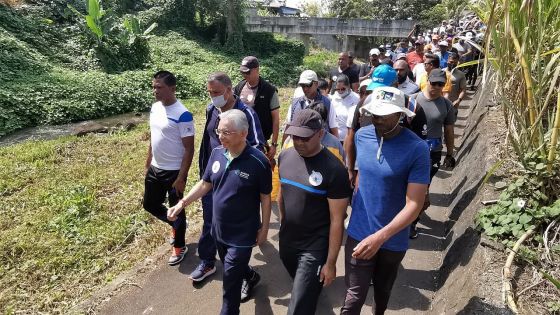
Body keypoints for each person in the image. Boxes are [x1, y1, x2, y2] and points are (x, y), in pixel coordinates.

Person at [168, 109, 272, 315]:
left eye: (226, 133)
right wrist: (182, 203)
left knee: (230, 286)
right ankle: (250, 276)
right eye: (218, 131)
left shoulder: (259, 162)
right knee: (232, 267)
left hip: (242, 234)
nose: (220, 137)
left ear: (244, 133)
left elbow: (265, 198)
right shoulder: (217, 153)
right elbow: (205, 184)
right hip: (219, 229)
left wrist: (265, 228)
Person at [340, 86, 430, 315]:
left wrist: (380, 237)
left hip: (392, 240)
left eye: (384, 114)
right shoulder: (362, 136)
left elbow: (414, 204)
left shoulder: (417, 149)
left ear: (401, 115)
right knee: (353, 297)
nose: (377, 119)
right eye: (374, 114)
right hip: (359, 231)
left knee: (382, 290)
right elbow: (363, 173)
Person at [192, 72, 266, 282]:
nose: (212, 96)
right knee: (210, 220)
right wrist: (204, 172)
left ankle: (244, 274)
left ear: (228, 89)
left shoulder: (245, 114)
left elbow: (258, 146)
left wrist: (234, 155)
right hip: (214, 176)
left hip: (238, 180)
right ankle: (207, 261)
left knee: (236, 227)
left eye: (216, 92)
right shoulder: (211, 110)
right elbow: (207, 144)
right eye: (209, 92)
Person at [277, 109, 352, 315]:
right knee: (305, 289)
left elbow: (337, 220)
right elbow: (281, 196)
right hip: (288, 241)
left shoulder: (334, 170)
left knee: (298, 308)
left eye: (305, 137)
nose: (299, 142)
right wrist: (284, 225)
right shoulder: (284, 156)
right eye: (295, 136)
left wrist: (330, 263)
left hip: (314, 247)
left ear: (320, 134)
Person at [143, 70, 195, 266]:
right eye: (154, 87)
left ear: (172, 89)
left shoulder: (183, 114)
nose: (155, 91)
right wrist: (149, 161)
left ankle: (179, 246)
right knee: (149, 204)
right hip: (156, 168)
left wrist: (182, 177)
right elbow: (153, 136)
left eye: (159, 87)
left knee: (177, 209)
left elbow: (189, 149)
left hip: (174, 172)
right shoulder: (155, 108)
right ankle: (176, 224)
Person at [409, 69, 457, 238]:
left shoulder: (447, 106)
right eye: (434, 83)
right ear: (427, 80)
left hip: (432, 154)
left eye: (440, 84)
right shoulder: (413, 100)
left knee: (422, 190)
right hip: (411, 153)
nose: (436, 87)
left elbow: (449, 130)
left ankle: (412, 222)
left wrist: (450, 154)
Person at [234, 56, 281, 163]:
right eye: (242, 73)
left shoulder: (269, 90)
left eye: (247, 72)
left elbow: (276, 120)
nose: (245, 75)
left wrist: (274, 144)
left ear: (257, 70)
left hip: (260, 141)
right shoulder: (239, 87)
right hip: (240, 138)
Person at [284, 70, 338, 144]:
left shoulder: (327, 103)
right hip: (299, 147)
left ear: (316, 84)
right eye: (302, 85)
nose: (305, 89)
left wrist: (336, 148)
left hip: (321, 149)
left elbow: (334, 129)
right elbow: (288, 128)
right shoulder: (295, 104)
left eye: (308, 85)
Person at [331, 74, 360, 143]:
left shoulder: (356, 99)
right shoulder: (333, 98)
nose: (340, 91)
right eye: (338, 89)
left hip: (350, 139)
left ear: (348, 86)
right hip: (335, 138)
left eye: (343, 89)